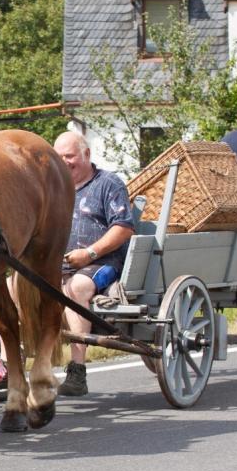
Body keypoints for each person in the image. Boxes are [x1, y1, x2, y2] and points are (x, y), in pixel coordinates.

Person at [52, 131, 135, 396]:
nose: (63, 162)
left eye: (69, 156)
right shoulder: (52, 187)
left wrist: (89, 253)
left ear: (86, 155)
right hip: (57, 264)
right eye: (59, 157)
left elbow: (123, 228)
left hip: (101, 262)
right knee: (14, 286)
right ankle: (7, 369)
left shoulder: (109, 184)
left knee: (76, 287)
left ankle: (77, 372)